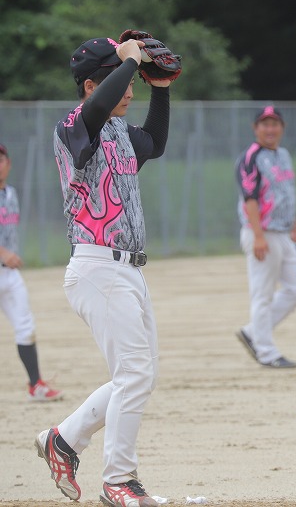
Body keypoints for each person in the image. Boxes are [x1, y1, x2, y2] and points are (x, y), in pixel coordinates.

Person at [35, 35, 176, 507]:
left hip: (128, 270)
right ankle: (118, 480)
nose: (130, 89)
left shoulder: (118, 130)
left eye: (132, 80)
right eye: (122, 79)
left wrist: (160, 89)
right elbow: (94, 110)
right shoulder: (74, 126)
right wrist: (129, 60)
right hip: (97, 265)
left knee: (138, 376)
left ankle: (63, 440)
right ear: (92, 86)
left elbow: (154, 143)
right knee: (133, 373)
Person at [235, 106, 296, 368]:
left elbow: (287, 193)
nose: (270, 129)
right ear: (256, 128)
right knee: (262, 294)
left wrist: (294, 227)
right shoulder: (250, 157)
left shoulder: (283, 154)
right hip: (262, 232)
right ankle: (266, 352)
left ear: (282, 128)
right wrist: (258, 236)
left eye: (274, 123)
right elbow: (250, 199)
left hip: (283, 232)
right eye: (265, 124)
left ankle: (253, 331)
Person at [0, 143, 63, 402]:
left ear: (8, 163)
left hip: (9, 274)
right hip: (4, 262)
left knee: (25, 326)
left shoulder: (11, 194)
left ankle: (36, 385)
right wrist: (3, 253)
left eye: (1, 159)